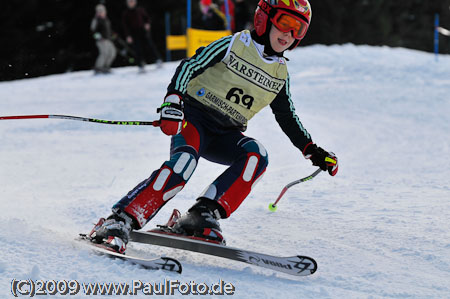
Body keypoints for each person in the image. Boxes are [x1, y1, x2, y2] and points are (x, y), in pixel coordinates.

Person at [89, 0, 339, 254]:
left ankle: (201, 214)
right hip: (194, 120)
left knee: (256, 155)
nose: (289, 34)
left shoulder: (279, 73)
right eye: (285, 23)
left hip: (226, 134)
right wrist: (173, 100)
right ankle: (121, 219)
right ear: (265, 19)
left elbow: (287, 117)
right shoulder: (235, 44)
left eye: (298, 29)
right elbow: (190, 66)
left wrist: (312, 150)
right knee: (184, 163)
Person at [122, 0, 162, 72]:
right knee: (138, 49)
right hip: (134, 33)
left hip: (143, 31)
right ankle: (140, 65)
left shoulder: (140, 10)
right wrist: (128, 36)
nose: (131, 3)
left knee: (150, 46)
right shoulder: (126, 14)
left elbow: (147, 19)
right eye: (129, 2)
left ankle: (158, 60)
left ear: (135, 2)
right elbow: (125, 27)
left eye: (132, 1)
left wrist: (147, 24)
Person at [90, 4, 117, 74]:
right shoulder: (96, 20)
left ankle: (105, 66)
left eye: (102, 11)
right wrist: (98, 37)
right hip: (101, 40)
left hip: (108, 39)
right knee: (104, 53)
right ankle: (98, 67)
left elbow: (108, 29)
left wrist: (113, 34)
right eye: (99, 11)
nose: (101, 12)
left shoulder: (106, 19)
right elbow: (93, 31)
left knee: (112, 53)